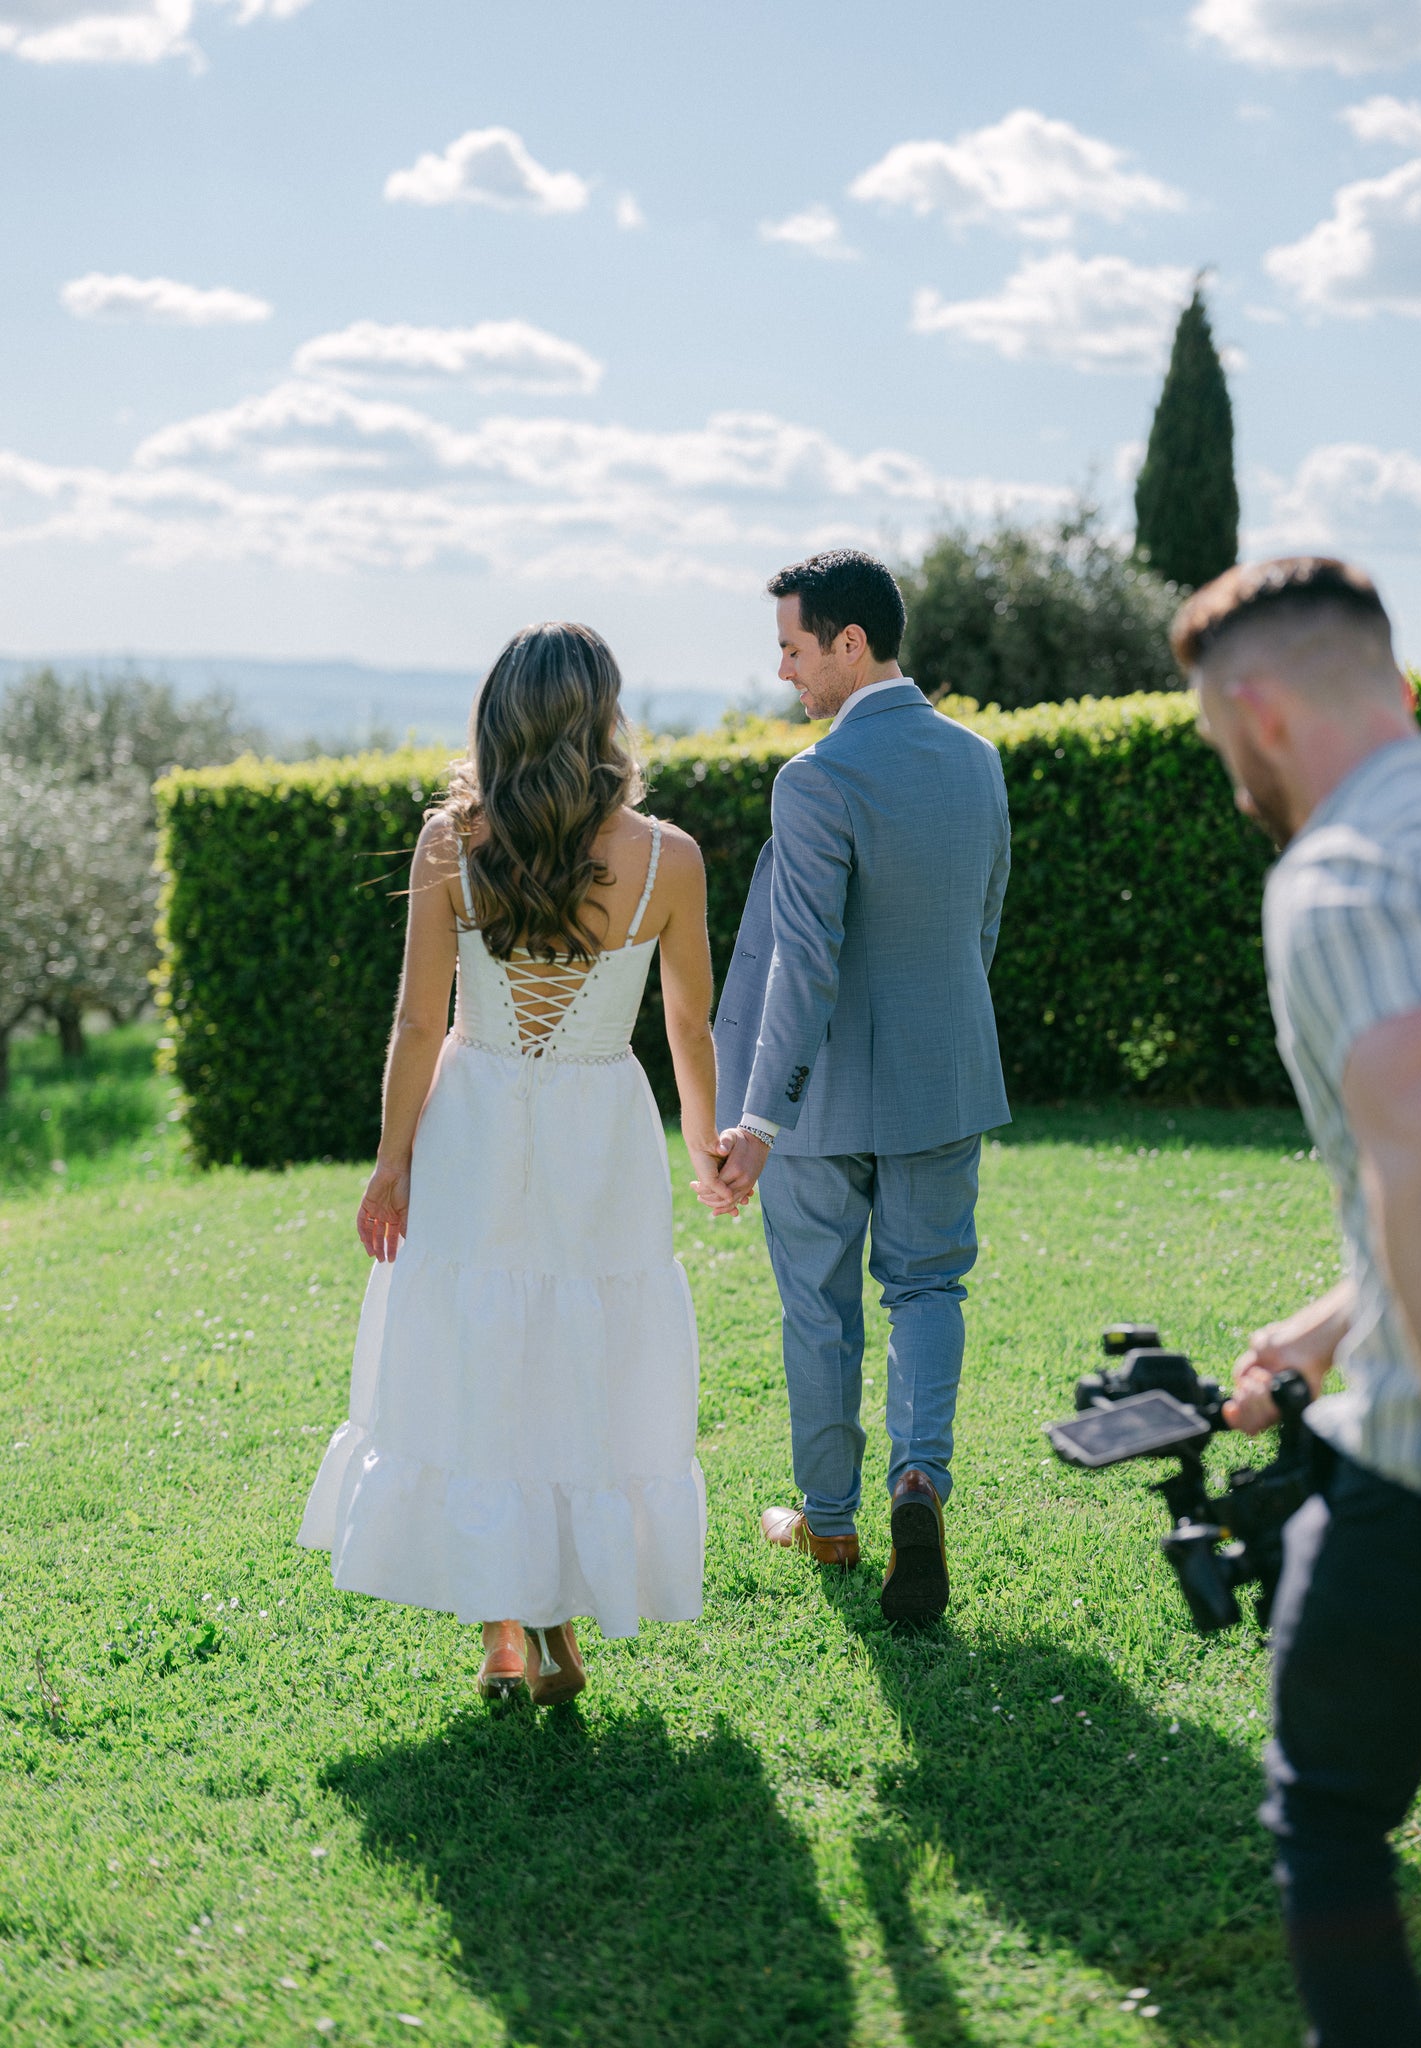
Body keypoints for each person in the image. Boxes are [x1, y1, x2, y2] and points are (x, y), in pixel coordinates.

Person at [1177, 555, 1421, 2048]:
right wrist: (1339, 1314)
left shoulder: (1341, 880)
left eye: (1213, 739)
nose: (1229, 773)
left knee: (1325, 1810)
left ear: (1260, 711)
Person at [300, 623, 733, 1707]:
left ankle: (507, 1626)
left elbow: (415, 1020)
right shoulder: (668, 856)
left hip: (478, 1119)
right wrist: (707, 1146)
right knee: (583, 1358)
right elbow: (691, 1027)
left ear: (498, 717)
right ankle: (554, 1619)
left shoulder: (454, 841)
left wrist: (392, 1159)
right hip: (602, 1131)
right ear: (602, 719)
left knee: (487, 1353)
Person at [710, 549, 1011, 1622]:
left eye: (794, 648)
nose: (785, 672)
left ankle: (830, 1521)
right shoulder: (979, 761)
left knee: (819, 1308)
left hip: (822, 1101)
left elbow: (806, 961)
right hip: (946, 1081)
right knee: (929, 1287)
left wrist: (759, 1115)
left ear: (849, 642)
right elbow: (983, 922)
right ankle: (917, 1481)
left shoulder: (817, 778)